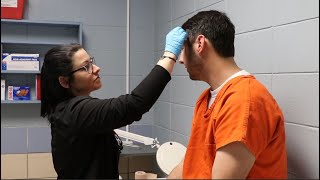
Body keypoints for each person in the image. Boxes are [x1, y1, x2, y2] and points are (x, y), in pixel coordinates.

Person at [40, 27, 187, 179]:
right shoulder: (75, 112)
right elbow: (133, 104)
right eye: (86, 67)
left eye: (91, 62)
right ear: (64, 81)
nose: (96, 68)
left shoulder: (69, 111)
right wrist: (169, 56)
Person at [168, 10, 287, 179]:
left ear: (200, 44)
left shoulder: (244, 99)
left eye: (182, 49)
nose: (180, 59)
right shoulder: (205, 99)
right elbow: (188, 164)